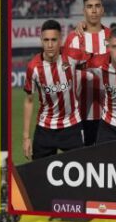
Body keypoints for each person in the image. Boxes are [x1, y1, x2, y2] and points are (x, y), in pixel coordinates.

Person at [22, 20, 84, 159]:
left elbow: (98, 59)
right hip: (45, 128)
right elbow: (29, 101)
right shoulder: (34, 68)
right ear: (41, 41)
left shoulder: (72, 56)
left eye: (54, 40)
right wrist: (26, 138)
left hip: (72, 126)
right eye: (46, 40)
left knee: (81, 173)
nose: (50, 45)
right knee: (39, 175)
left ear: (60, 40)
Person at [64, 0, 110, 146]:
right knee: (82, 162)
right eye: (90, 6)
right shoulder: (73, 38)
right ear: (84, 11)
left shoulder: (113, 37)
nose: (94, 10)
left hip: (108, 114)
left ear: (103, 9)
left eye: (98, 6)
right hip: (79, 115)